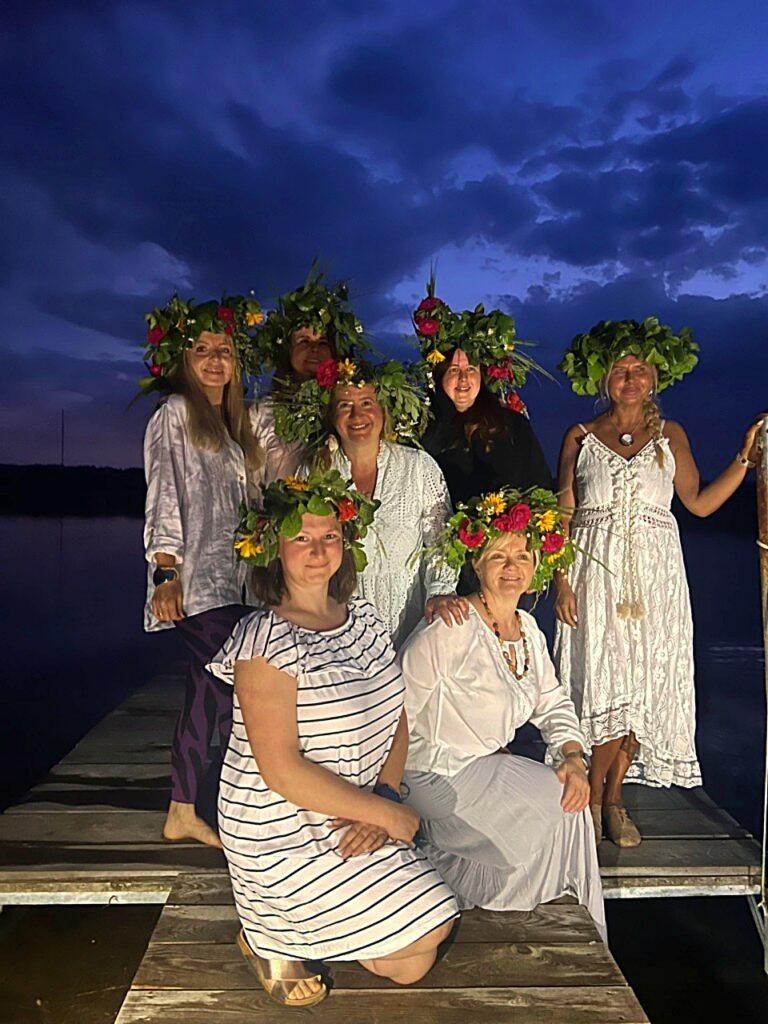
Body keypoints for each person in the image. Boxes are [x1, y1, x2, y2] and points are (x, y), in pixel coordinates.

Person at [206, 471, 459, 1007]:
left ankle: (329, 927)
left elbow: (396, 717)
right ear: (275, 549)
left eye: (329, 536)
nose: (318, 551)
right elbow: (280, 771)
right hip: (281, 827)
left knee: (411, 962)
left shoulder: (364, 619)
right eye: (301, 537)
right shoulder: (265, 638)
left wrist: (383, 801)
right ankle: (267, 937)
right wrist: (387, 816)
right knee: (428, 929)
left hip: (353, 812)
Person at [554, 317, 765, 847]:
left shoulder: (671, 436)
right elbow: (562, 516)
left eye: (640, 369)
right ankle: (593, 801)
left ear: (654, 378)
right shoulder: (579, 437)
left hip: (656, 579)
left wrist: (745, 458)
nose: (630, 378)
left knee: (642, 687)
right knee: (604, 684)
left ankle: (612, 800)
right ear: (603, 378)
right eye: (620, 369)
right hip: (593, 575)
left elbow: (700, 503)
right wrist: (560, 580)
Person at [399, 486, 606, 938]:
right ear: (476, 564)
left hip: (479, 768)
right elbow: (396, 710)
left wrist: (573, 756)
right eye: (499, 556)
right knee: (566, 806)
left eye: (522, 556)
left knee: (567, 791)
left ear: (537, 567)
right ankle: (571, 926)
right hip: (433, 772)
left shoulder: (527, 629)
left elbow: (552, 702)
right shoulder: (451, 626)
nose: (512, 567)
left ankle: (483, 890)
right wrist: (379, 796)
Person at [142, 294, 265, 846]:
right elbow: (164, 492)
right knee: (246, 682)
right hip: (195, 583)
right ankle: (249, 803)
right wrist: (164, 571)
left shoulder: (234, 425)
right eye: (202, 349)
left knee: (208, 690)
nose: (215, 360)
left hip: (237, 582)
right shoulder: (175, 413)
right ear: (184, 359)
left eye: (225, 350)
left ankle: (183, 809)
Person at [288, 355, 465, 648]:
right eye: (345, 405)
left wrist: (440, 590)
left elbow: (441, 540)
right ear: (331, 416)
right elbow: (299, 547)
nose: (357, 415)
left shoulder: (418, 466)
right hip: (337, 630)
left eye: (367, 403)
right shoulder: (314, 472)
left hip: (410, 629)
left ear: (383, 409)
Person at [413, 286, 553, 504]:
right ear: (439, 377)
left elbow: (540, 486)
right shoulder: (422, 428)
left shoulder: (512, 425)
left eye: (471, 370)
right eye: (453, 370)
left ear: (482, 376)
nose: (463, 379)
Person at [249, 265, 368, 483]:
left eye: (322, 342)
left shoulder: (355, 407)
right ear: (288, 350)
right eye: (303, 341)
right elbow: (250, 485)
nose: (314, 349)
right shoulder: (263, 413)